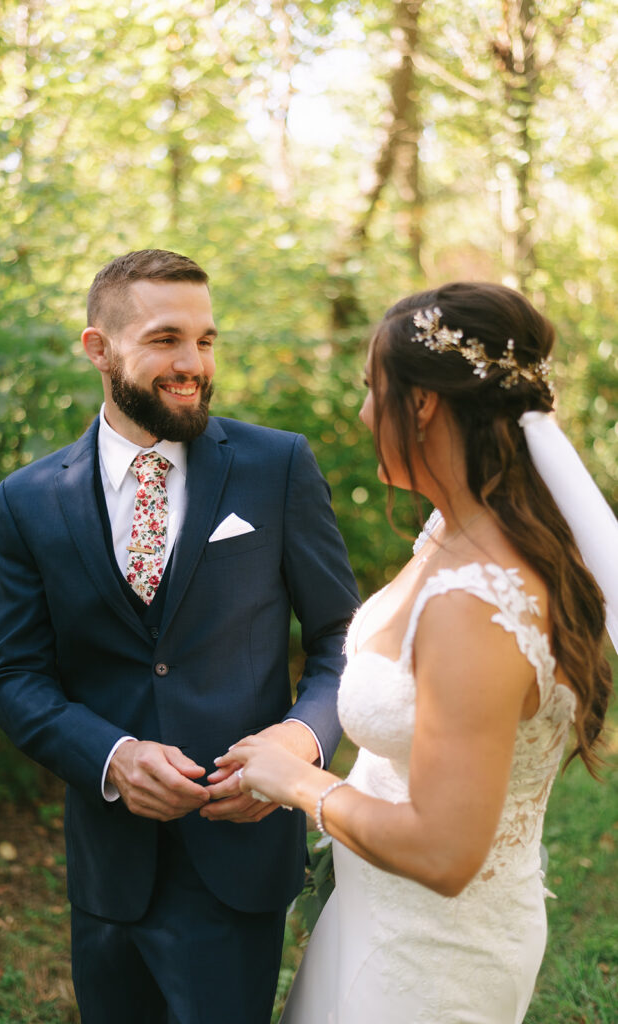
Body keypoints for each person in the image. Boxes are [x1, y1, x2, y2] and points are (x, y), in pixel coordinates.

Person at [0, 249, 360, 1024]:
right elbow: (14, 674)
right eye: (165, 340)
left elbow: (342, 639)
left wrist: (299, 739)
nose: (193, 364)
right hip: (108, 868)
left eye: (207, 340)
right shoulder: (29, 500)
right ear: (99, 349)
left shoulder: (275, 466)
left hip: (240, 849)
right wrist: (111, 758)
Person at [219, 282, 616, 1024]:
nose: (365, 412)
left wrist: (298, 785)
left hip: (434, 960)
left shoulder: (477, 603)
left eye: (375, 390)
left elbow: (443, 852)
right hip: (374, 914)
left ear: (424, 403)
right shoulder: (447, 535)